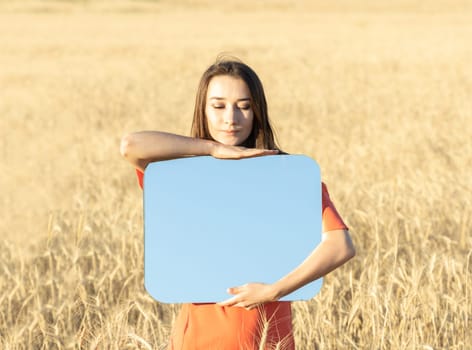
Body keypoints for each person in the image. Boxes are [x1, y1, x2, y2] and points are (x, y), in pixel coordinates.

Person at [120, 58, 356, 349]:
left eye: (243, 106)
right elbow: (131, 146)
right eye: (218, 106)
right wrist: (212, 148)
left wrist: (273, 291)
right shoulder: (182, 176)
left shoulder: (287, 176)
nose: (230, 118)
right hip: (196, 338)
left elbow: (341, 245)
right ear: (203, 110)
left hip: (266, 336)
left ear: (257, 111)